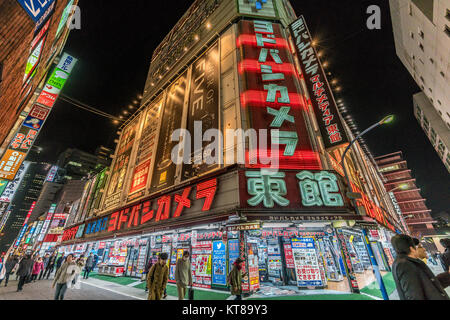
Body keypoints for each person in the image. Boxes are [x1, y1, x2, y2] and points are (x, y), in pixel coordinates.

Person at [391, 234, 449, 300]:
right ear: (412, 249)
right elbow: (414, 296)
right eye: (420, 246)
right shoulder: (405, 265)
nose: (424, 249)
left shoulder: (409, 263)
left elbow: (429, 285)